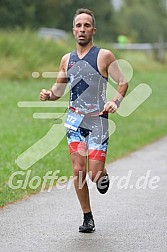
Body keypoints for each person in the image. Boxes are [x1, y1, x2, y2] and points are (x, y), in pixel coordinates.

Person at [40, 8, 128, 233]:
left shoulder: (104, 56)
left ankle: (102, 174)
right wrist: (50, 95)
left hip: (98, 121)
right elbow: (58, 89)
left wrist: (115, 101)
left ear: (93, 30)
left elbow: (122, 82)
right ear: (73, 30)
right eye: (78, 26)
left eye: (86, 25)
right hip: (74, 122)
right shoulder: (66, 59)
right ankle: (87, 217)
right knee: (79, 170)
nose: (82, 30)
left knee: (94, 174)